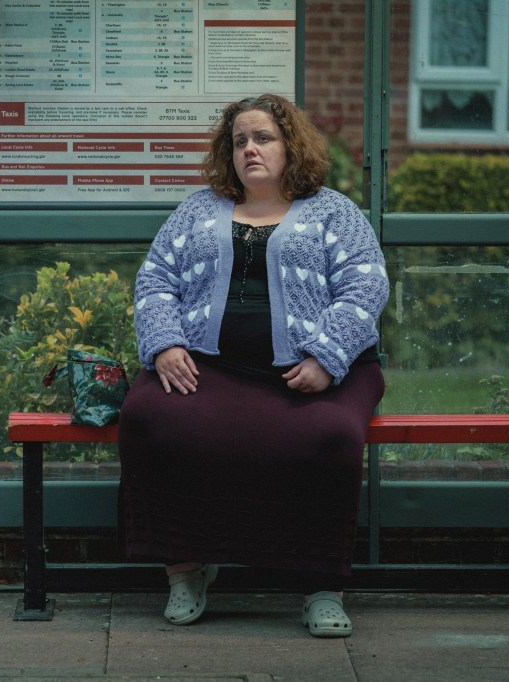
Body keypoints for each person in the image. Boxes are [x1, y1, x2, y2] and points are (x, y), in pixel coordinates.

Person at [117, 94, 388, 638]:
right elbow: (154, 280)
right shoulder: (196, 209)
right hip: (209, 366)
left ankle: (322, 587)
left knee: (331, 435)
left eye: (263, 137)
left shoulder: (334, 210)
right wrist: (167, 344)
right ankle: (186, 569)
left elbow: (367, 283)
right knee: (147, 417)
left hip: (310, 371)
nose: (250, 149)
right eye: (239, 140)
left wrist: (327, 356)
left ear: (291, 145)